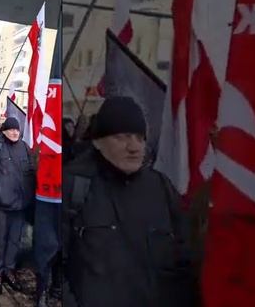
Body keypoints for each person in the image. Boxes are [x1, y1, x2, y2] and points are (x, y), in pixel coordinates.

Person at [62, 96, 196, 307]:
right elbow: (55, 261)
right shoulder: (74, 186)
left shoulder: (161, 187)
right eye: (123, 137)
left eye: (139, 137)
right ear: (98, 141)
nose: (134, 147)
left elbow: (185, 259)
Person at [0, 117, 36, 295]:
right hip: (1, 205)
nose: (14, 132)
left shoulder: (24, 148)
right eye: (11, 129)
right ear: (4, 130)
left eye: (17, 130)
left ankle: (9, 270)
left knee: (14, 240)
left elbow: (31, 171)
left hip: (20, 205)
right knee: (0, 240)